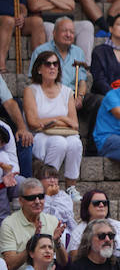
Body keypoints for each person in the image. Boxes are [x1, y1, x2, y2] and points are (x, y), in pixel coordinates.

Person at [22, 52, 80, 186]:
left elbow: (74, 124)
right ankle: (48, 185)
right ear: (39, 69)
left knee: (75, 143)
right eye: (48, 64)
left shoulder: (67, 91)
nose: (52, 67)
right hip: (40, 135)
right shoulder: (31, 90)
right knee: (58, 142)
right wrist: (61, 118)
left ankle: (71, 187)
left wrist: (50, 122)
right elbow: (33, 123)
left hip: (64, 134)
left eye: (55, 64)